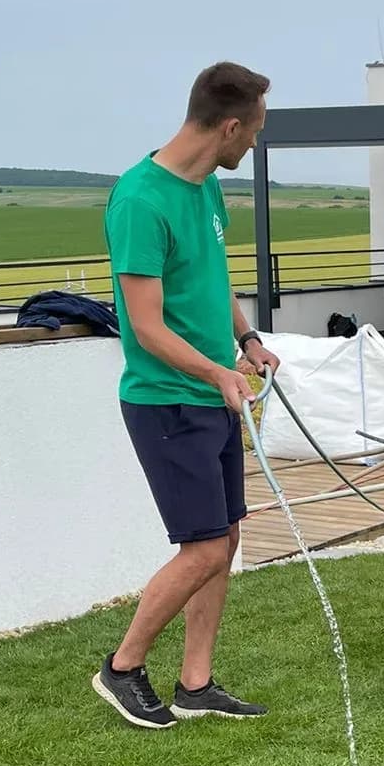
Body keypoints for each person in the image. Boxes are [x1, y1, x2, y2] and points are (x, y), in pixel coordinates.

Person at [92, 62, 281, 730]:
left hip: (211, 395)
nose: (253, 145)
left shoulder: (203, 190)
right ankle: (121, 669)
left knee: (224, 538)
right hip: (166, 399)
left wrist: (247, 341)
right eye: (254, 132)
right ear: (229, 126)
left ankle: (195, 683)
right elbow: (144, 326)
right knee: (201, 546)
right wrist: (216, 374)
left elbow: (211, 281)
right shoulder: (141, 200)